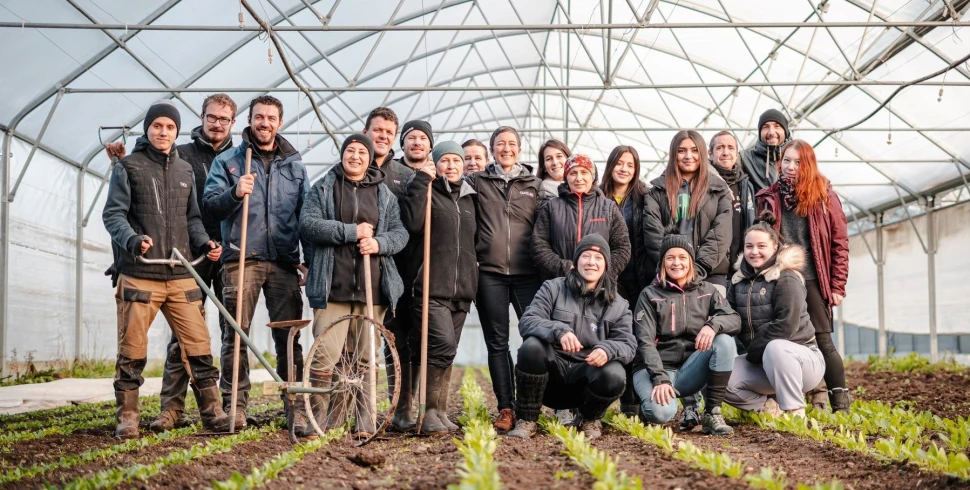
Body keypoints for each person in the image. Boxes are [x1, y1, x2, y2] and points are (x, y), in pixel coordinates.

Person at [104, 94, 240, 432]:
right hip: (141, 273)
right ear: (148, 129)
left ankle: (211, 414)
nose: (163, 132)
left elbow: (192, 218)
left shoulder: (184, 170)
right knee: (133, 349)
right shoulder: (129, 167)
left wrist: (204, 242)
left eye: (169, 127)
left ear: (177, 131)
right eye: (157, 126)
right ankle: (128, 417)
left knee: (198, 346)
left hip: (181, 273)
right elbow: (113, 214)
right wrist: (133, 241)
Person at [202, 95, 309, 431]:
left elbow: (305, 216)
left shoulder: (294, 164)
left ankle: (295, 407)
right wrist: (235, 192)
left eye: (271, 118)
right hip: (241, 258)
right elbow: (209, 206)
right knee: (235, 336)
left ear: (279, 122)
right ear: (249, 120)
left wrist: (304, 261)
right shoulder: (230, 161)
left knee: (288, 337)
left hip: (283, 262)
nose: (265, 123)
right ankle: (235, 406)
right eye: (259, 117)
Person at [298, 133, 409, 437]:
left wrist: (378, 242)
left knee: (364, 357)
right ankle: (317, 420)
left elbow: (400, 234)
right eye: (350, 150)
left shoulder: (384, 195)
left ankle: (365, 420)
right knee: (325, 354)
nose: (356, 156)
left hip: (372, 289)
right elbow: (307, 225)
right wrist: (351, 231)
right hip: (333, 286)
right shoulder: (324, 187)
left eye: (362, 151)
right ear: (343, 153)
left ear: (370, 157)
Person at [507, 235, 636, 439]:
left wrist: (607, 349)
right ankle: (527, 419)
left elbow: (628, 344)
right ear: (576, 262)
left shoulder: (618, 304)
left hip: (585, 383)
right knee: (531, 347)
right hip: (550, 379)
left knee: (615, 374)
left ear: (605, 265)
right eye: (586, 256)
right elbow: (528, 320)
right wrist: (559, 330)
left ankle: (590, 419)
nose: (591, 262)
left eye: (598, 258)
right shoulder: (553, 288)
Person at [757, 140, 850, 413]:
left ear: (807, 164)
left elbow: (840, 243)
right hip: (780, 277)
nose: (791, 167)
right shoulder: (769, 195)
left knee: (822, 340)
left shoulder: (824, 196)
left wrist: (837, 285)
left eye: (798, 162)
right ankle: (781, 400)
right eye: (786, 160)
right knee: (780, 336)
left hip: (813, 279)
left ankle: (840, 405)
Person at [465, 126, 543, 432]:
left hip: (527, 275)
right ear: (492, 149)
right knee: (497, 343)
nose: (506, 149)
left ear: (520, 150)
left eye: (511, 144)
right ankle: (506, 407)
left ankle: (529, 407)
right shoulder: (477, 182)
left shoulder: (534, 185)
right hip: (490, 274)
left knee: (534, 340)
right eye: (500, 144)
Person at [400, 142, 478, 434]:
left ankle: (441, 411)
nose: (451, 166)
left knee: (448, 351)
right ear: (435, 164)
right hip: (431, 286)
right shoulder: (427, 191)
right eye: (444, 160)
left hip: (462, 290)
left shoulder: (470, 199)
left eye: (456, 161)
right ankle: (428, 411)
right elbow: (413, 223)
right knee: (441, 345)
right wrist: (422, 180)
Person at [631, 233, 740, 435]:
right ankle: (648, 403)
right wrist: (659, 378)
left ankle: (711, 413)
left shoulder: (707, 290)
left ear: (691, 261)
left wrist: (712, 325)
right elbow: (644, 341)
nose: (676, 263)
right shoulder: (649, 294)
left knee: (724, 341)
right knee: (661, 413)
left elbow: (734, 319)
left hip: (689, 370)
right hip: (656, 368)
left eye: (682, 257)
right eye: (670, 257)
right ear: (663, 262)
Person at [725, 213, 825, 417]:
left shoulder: (787, 277)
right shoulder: (738, 281)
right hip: (763, 362)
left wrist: (753, 352)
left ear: (774, 248)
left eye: (761, 246)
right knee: (719, 375)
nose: (754, 252)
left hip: (802, 361)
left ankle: (795, 410)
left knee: (776, 347)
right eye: (749, 246)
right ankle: (770, 408)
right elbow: (729, 317)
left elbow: (785, 325)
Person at [383, 119, 434, 432]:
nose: (416, 143)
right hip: (392, 268)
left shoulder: (437, 174)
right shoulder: (389, 174)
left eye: (422, 138)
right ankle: (399, 406)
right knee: (393, 338)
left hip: (425, 270)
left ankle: (416, 406)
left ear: (430, 145)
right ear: (402, 144)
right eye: (411, 138)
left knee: (420, 339)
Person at [643, 130, 732, 292]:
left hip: (709, 274)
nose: (688, 156)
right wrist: (673, 266)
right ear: (673, 155)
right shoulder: (657, 191)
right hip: (668, 275)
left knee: (714, 317)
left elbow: (721, 234)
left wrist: (698, 268)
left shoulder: (719, 190)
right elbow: (653, 234)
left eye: (694, 150)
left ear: (703, 154)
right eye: (681, 151)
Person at [599, 145, 650, 417]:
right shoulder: (598, 197)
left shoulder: (644, 197)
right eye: (619, 163)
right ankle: (604, 399)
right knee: (610, 336)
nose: (624, 169)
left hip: (637, 279)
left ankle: (634, 400)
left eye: (629, 165)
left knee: (638, 337)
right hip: (607, 280)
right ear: (610, 166)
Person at [532, 153, 631, 282]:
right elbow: (538, 245)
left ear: (593, 177)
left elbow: (622, 247)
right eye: (573, 173)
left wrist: (601, 273)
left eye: (584, 172)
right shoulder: (551, 207)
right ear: (566, 177)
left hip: (599, 286)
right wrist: (565, 268)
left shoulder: (609, 208)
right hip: (559, 284)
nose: (579, 178)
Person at [709, 131, 757, 279]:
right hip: (713, 267)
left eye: (730, 148)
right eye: (720, 148)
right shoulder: (704, 184)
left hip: (741, 265)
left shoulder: (746, 185)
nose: (725, 152)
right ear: (710, 154)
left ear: (737, 154)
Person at [364, 107, 413, 199]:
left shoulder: (406, 175)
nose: (383, 136)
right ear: (364, 132)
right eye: (378, 130)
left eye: (389, 132)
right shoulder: (351, 170)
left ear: (394, 138)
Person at [740, 109, 790, 193]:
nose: (771, 132)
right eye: (765, 127)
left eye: (777, 126)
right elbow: (714, 164)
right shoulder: (745, 158)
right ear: (760, 133)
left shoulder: (799, 156)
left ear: (785, 131)